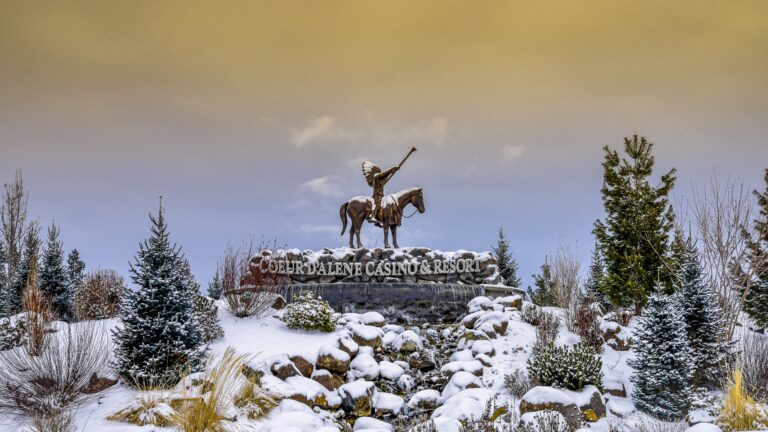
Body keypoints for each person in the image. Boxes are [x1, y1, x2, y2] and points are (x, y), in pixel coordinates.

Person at [361, 161, 399, 226]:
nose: (380, 171)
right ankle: (372, 215)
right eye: (379, 170)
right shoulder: (375, 176)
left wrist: (392, 171)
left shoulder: (378, 179)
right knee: (377, 205)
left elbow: (384, 177)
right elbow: (383, 174)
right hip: (377, 194)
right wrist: (392, 169)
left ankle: (379, 220)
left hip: (380, 194)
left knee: (382, 207)